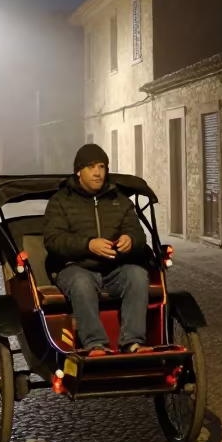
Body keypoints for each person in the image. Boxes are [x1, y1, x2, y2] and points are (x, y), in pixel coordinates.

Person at [43, 144, 149, 355]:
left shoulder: (119, 200)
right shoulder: (60, 202)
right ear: (78, 171)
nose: (97, 172)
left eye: (101, 166)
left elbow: (138, 235)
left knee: (138, 275)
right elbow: (53, 240)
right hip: (73, 268)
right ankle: (95, 343)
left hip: (114, 270)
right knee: (81, 282)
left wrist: (130, 239)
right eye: (91, 167)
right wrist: (88, 245)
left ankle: (132, 342)